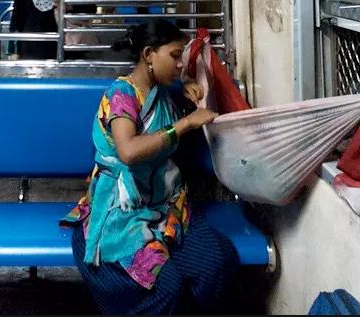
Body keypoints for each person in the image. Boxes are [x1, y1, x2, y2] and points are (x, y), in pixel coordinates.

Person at [60, 19, 239, 315]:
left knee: (218, 261)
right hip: (122, 210)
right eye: (174, 55)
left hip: (164, 205)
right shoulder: (121, 95)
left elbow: (161, 120)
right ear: (148, 55)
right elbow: (129, 152)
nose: (181, 64)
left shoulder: (164, 94)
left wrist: (185, 95)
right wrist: (184, 124)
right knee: (162, 285)